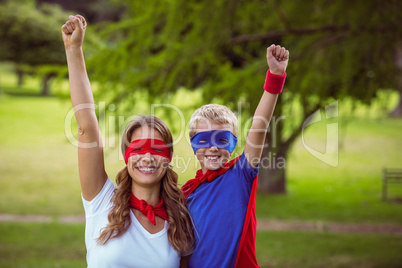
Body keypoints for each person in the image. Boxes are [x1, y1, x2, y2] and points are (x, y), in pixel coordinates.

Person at [61, 15, 193, 267]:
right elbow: (86, 128)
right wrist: (74, 49)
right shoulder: (101, 201)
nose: (147, 156)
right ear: (126, 156)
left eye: (157, 148)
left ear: (168, 158)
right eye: (138, 148)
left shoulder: (179, 221)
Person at [182, 44, 289, 267]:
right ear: (193, 145)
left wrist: (275, 76)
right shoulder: (186, 193)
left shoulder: (240, 175)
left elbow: (259, 128)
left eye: (221, 140)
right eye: (204, 140)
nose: (213, 148)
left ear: (233, 144)